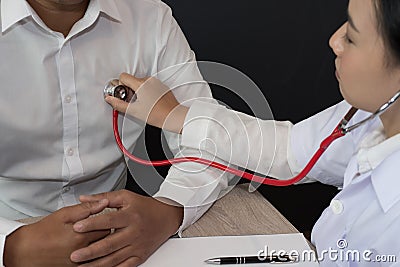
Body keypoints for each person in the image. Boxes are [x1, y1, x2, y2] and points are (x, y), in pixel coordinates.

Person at [106, 0, 400, 265]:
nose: (334, 41)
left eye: (352, 37)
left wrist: (171, 208)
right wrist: (174, 115)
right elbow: (288, 151)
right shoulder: (369, 114)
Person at [0, 0, 233, 266]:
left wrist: (170, 209)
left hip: (122, 234)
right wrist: (12, 246)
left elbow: (208, 141)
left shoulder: (149, 16)